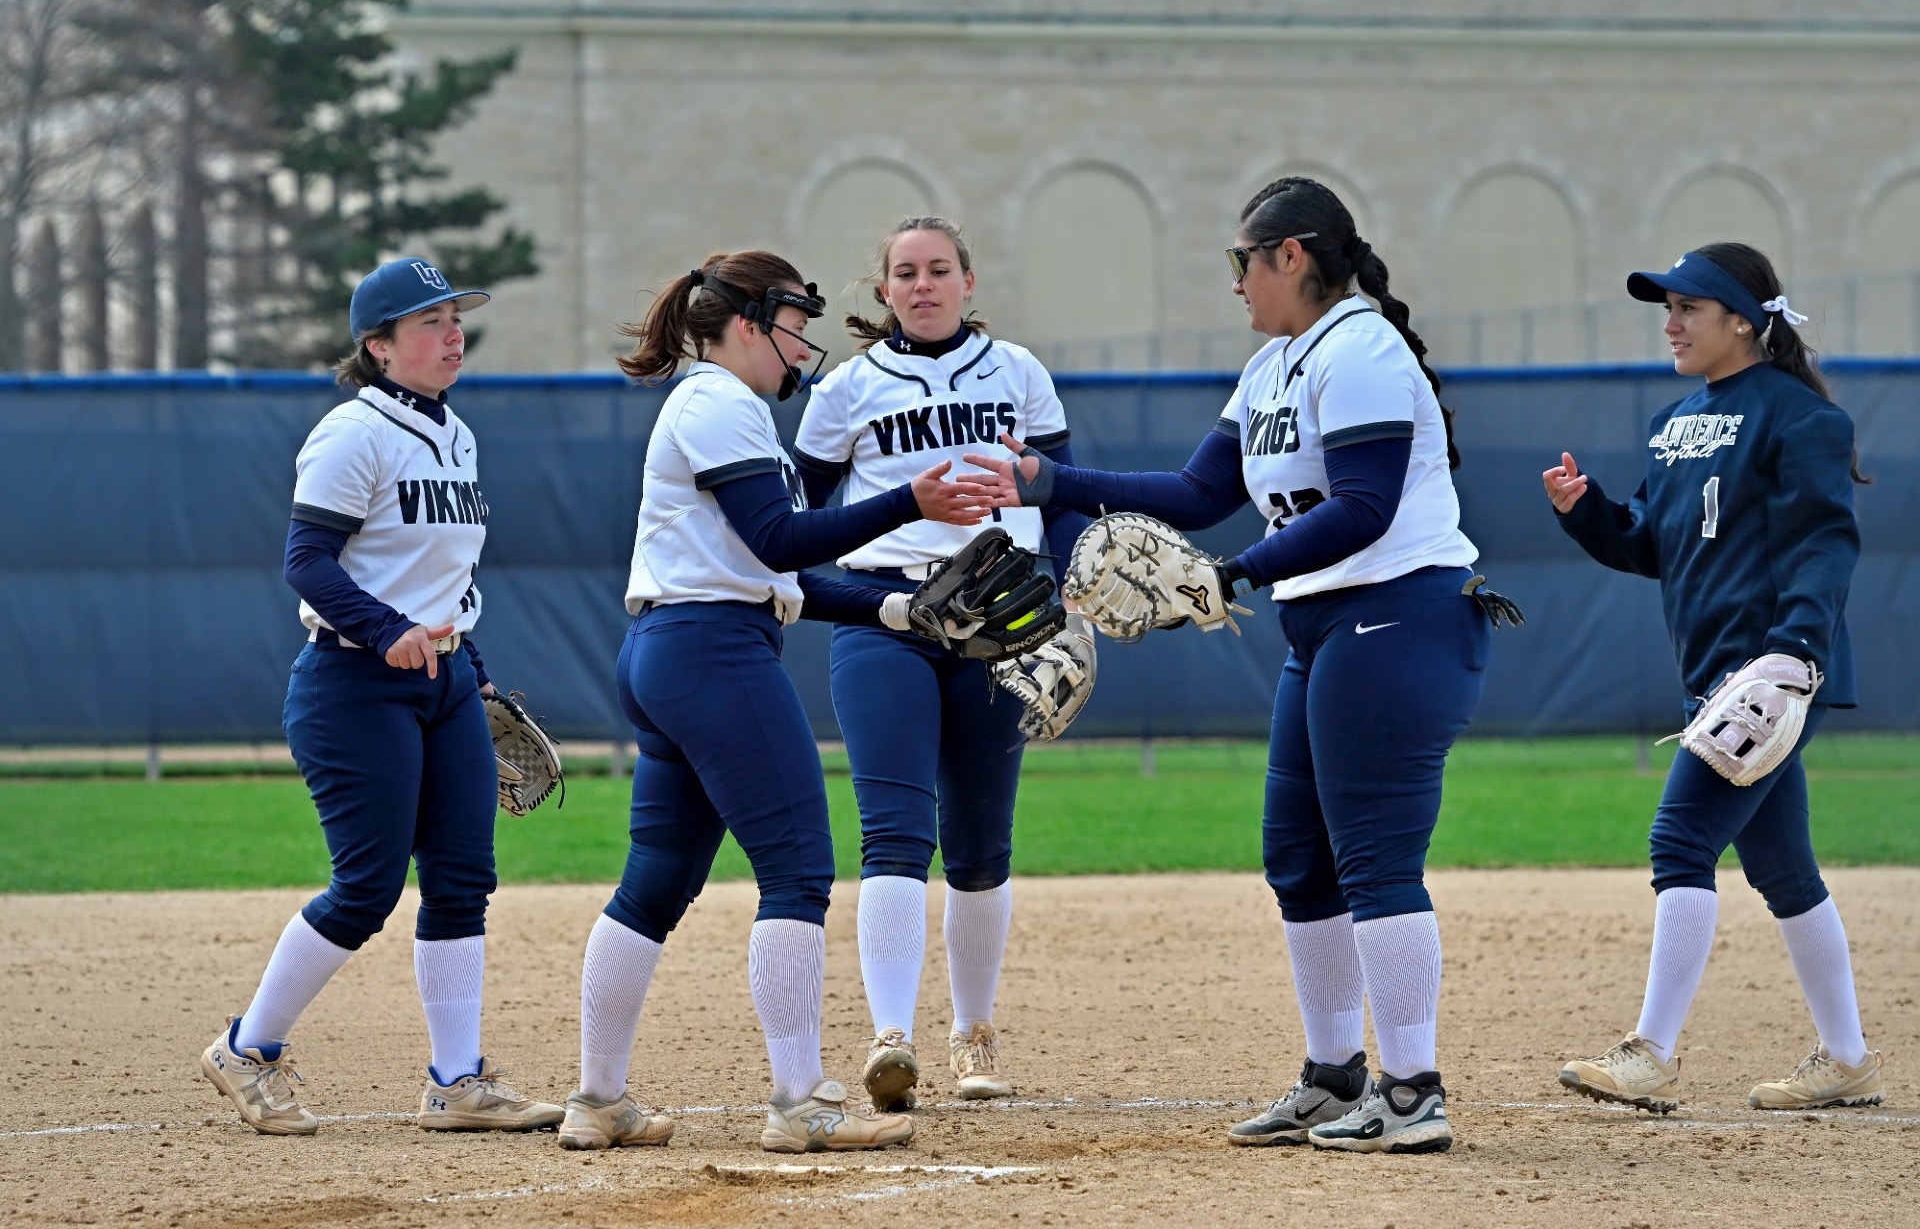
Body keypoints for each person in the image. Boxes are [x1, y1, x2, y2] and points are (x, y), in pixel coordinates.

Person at [964, 176, 1505, 1155]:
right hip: (1323, 628)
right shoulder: (1272, 365)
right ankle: (1335, 1074)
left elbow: (1366, 505)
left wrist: (1235, 571)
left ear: (1290, 255)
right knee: (1297, 858)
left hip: (1399, 613)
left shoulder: (1364, 350)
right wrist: (1056, 481)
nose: (1236, 284)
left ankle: (1415, 1088)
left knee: (1375, 860)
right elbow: (1199, 488)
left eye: (1241, 263)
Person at [561, 250, 998, 1154]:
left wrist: (895, 608)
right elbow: (774, 537)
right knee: (797, 872)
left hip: (674, 650)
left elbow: (784, 569)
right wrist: (906, 500)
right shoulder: (720, 399)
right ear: (752, 320)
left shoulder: (723, 405)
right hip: (713, 654)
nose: (806, 336)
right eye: (797, 315)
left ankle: (597, 1100)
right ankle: (799, 1101)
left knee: (655, 883)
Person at [200, 258, 563, 1136]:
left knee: (462, 879)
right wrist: (384, 627)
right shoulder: (350, 432)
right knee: (365, 886)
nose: (453, 334)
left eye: (455, 318)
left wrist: (465, 666)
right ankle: (247, 1048)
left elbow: (444, 577)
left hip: (440, 680)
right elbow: (307, 561)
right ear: (378, 344)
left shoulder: (459, 436)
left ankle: (457, 1081)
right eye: (430, 322)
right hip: (353, 684)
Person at [1547, 242, 1882, 1113]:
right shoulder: (1673, 423)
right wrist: (1588, 516)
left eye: (1687, 307)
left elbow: (1824, 543)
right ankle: (1847, 1059)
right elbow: (1650, 545)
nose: (1670, 322)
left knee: (1679, 843)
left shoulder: (1800, 418)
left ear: (1743, 319)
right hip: (1714, 679)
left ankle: (1652, 1050)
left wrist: (1795, 654)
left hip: (1771, 673)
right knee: (1785, 872)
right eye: (1667, 307)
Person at [790, 216, 1090, 1111]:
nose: (922, 285)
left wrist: (1070, 587)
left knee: (982, 843)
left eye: (939, 270)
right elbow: (793, 527)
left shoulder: (1019, 371)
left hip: (1001, 622)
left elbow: (1062, 497)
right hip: (887, 617)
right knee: (893, 829)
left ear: (967, 280)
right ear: (883, 291)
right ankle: (892, 1035)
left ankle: (973, 1032)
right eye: (905, 273)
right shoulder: (845, 388)